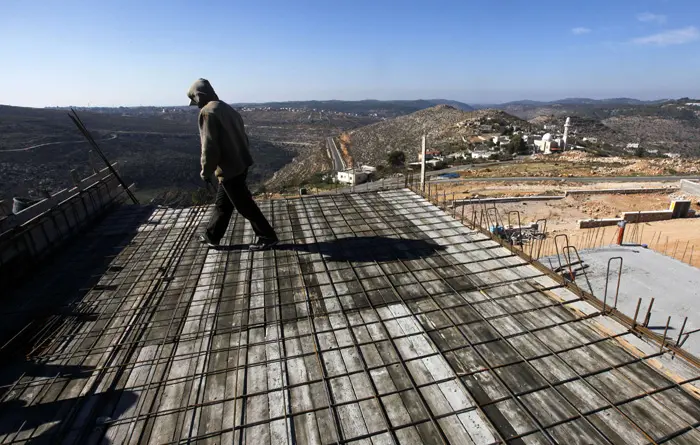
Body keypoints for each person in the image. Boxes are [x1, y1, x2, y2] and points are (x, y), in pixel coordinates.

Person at [187, 78, 279, 251]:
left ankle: (268, 236)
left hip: (229, 168)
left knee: (245, 205)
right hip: (240, 163)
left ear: (199, 96)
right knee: (223, 204)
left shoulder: (208, 112)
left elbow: (209, 146)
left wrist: (206, 171)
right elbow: (242, 137)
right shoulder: (226, 108)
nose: (196, 104)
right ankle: (211, 236)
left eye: (195, 99)